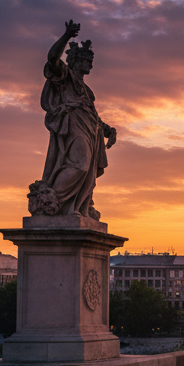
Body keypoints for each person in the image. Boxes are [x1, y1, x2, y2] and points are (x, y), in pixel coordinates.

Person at [37, 20, 117, 219]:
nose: (89, 64)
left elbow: (93, 115)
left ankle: (77, 207)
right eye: (85, 60)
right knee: (80, 165)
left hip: (91, 130)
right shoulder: (65, 77)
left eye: (90, 60)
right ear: (74, 61)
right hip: (72, 127)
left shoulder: (87, 92)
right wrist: (66, 36)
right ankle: (53, 200)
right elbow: (52, 58)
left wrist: (107, 129)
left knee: (88, 172)